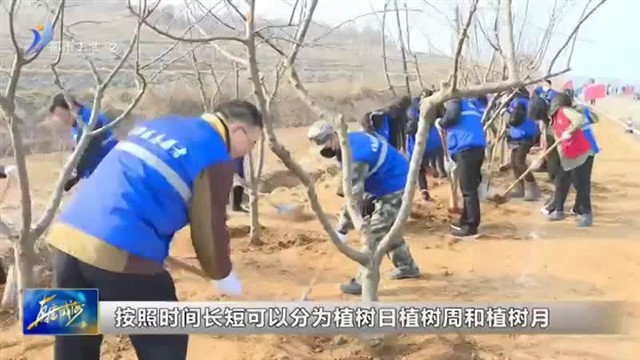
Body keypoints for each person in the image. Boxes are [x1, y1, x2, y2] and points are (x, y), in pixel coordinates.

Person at [45, 100, 263, 360]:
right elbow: (209, 228)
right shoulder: (214, 154)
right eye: (252, 143)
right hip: (120, 246)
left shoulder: (162, 123)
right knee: (165, 337)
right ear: (238, 130)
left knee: (72, 341)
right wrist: (222, 274)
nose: (248, 152)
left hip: (65, 236)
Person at [307, 120, 420, 296]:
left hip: (396, 185)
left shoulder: (356, 156)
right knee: (388, 229)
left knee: (374, 233)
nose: (324, 150)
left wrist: (343, 228)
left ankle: (362, 281)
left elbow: (354, 198)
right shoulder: (350, 139)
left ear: (333, 137)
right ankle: (407, 267)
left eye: (325, 144)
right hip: (389, 178)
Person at [541, 89, 600, 219]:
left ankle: (582, 211)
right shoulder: (557, 119)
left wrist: (570, 129)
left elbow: (588, 119)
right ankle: (572, 208)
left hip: (585, 149)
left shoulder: (569, 112)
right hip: (573, 151)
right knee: (572, 180)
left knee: (580, 182)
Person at [436, 97, 487, 237]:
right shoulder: (470, 104)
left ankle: (471, 225)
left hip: (466, 149)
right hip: (476, 148)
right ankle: (465, 219)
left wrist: (440, 123)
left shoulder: (455, 102)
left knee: (468, 189)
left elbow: (451, 117)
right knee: (468, 187)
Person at [47, 93, 118, 191]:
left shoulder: (90, 120)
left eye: (60, 114)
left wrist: (72, 175)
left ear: (70, 107)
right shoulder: (75, 125)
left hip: (110, 172)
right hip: (95, 175)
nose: (60, 119)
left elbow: (84, 151)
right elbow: (78, 152)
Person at [405, 97, 445, 201]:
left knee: (418, 168)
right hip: (434, 141)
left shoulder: (413, 111)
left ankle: (424, 190)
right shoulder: (434, 106)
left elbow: (410, 129)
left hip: (421, 144)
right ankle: (431, 170)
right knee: (423, 163)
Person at [505, 87, 541, 200]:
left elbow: (514, 120)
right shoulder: (524, 102)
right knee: (514, 163)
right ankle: (519, 190)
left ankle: (533, 189)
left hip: (524, 135)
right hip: (519, 135)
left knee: (519, 162)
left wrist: (504, 112)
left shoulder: (519, 102)